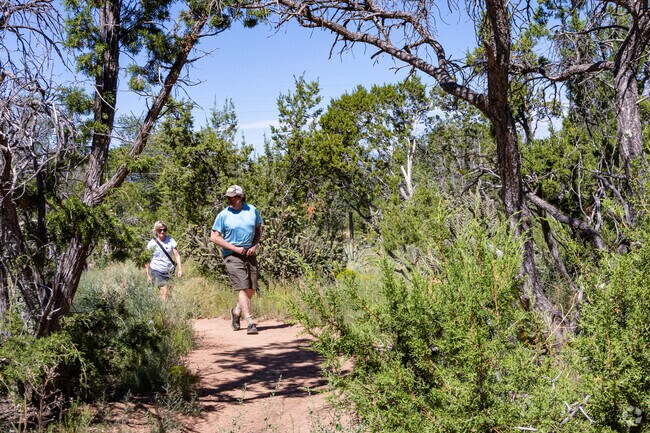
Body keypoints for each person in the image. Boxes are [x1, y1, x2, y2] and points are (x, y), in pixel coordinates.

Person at [210, 185, 263, 335]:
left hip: (249, 253)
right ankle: (250, 322)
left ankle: (236, 311)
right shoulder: (223, 215)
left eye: (233, 197)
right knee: (242, 285)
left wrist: (254, 245)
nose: (229, 200)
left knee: (251, 288)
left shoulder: (252, 210)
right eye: (228, 197)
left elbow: (258, 228)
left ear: (240, 197)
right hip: (231, 254)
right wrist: (234, 248)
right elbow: (214, 237)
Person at [145, 221, 183, 301]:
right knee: (164, 291)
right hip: (157, 270)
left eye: (164, 230)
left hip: (169, 270)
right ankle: (163, 312)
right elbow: (147, 259)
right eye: (160, 230)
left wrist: (180, 269)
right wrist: (148, 274)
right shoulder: (151, 243)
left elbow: (177, 255)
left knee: (169, 291)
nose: (162, 232)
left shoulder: (171, 240)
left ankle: (164, 306)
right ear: (156, 231)